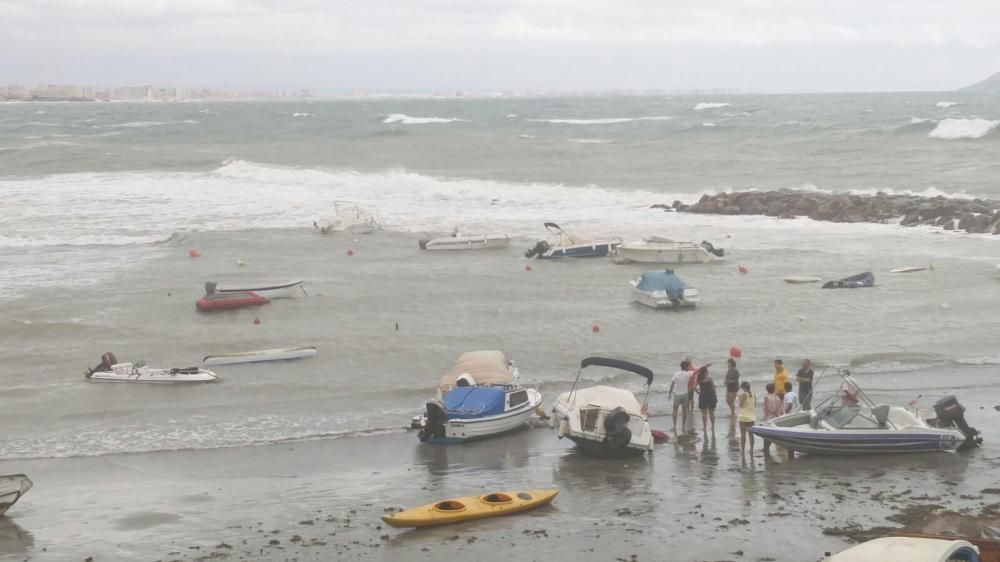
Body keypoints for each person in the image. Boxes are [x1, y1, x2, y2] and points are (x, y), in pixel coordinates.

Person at [668, 360, 692, 433]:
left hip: (677, 395)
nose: (689, 367)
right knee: (684, 411)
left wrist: (669, 394)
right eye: (688, 366)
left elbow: (672, 384)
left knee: (675, 410)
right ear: (686, 367)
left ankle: (674, 426)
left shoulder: (676, 374)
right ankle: (683, 426)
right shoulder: (688, 374)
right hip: (685, 394)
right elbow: (697, 371)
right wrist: (705, 366)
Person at [762, 383, 784, 452]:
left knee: (766, 434)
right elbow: (780, 408)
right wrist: (778, 414)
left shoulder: (766, 397)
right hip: (776, 417)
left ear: (767, 390)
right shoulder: (777, 397)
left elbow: (766, 408)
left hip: (769, 417)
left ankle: (765, 448)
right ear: (774, 389)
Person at [695, 365, 717, 434]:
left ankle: (704, 427)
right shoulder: (709, 379)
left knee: (704, 414)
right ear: (705, 372)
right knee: (711, 413)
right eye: (707, 371)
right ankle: (713, 426)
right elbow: (713, 389)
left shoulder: (699, 380)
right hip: (711, 397)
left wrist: (699, 393)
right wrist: (715, 397)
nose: (708, 372)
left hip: (703, 397)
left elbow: (693, 387)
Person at [736, 381, 756, 455]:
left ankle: (743, 450)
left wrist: (739, 398)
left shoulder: (744, 394)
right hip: (751, 416)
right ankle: (751, 449)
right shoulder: (753, 394)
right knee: (751, 435)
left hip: (743, 416)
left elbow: (741, 405)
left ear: (743, 388)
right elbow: (754, 405)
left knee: (743, 434)